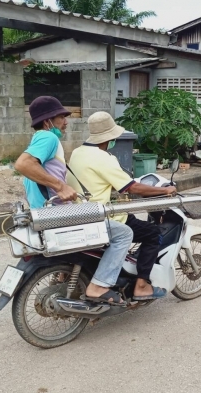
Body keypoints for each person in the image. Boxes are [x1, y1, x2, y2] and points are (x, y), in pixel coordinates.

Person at [14, 96, 133, 306]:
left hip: (42, 213)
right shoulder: (48, 138)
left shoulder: (38, 141)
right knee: (124, 233)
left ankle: (65, 277)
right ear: (48, 120)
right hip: (56, 215)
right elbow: (22, 164)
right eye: (61, 117)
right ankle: (99, 286)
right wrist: (60, 186)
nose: (66, 122)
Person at [67, 111, 176, 301]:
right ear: (110, 137)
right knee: (153, 233)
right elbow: (131, 187)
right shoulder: (104, 158)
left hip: (81, 213)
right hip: (105, 217)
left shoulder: (77, 153)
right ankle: (141, 286)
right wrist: (165, 191)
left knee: (135, 224)